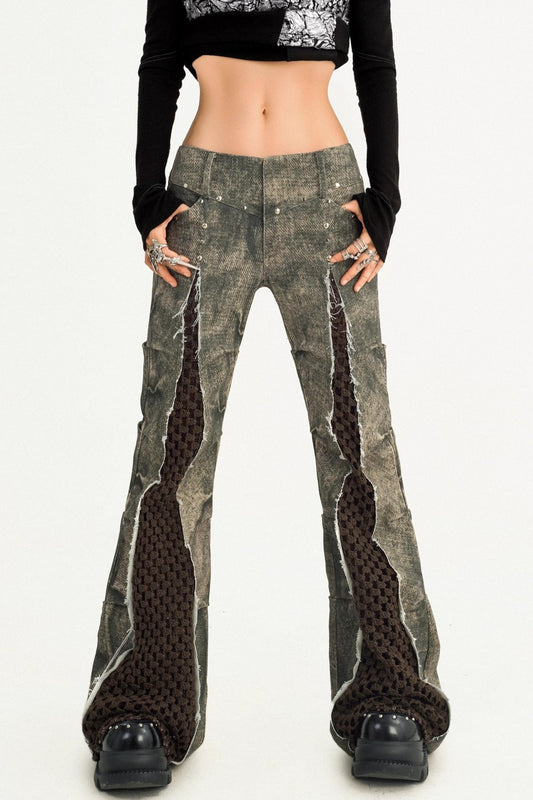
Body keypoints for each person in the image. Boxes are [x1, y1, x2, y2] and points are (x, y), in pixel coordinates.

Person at [81, 0, 451, 790]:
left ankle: (392, 695)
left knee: (359, 444)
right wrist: (147, 194)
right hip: (202, 201)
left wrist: (384, 197)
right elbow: (158, 64)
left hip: (325, 200)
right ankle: (140, 702)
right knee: (171, 452)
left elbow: (376, 64)